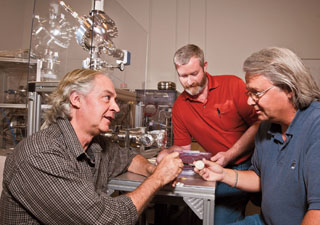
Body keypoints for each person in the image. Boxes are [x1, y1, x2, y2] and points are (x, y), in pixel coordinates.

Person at [0, 69, 183, 224]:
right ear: (76, 99)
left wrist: (152, 169)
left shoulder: (96, 145)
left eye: (115, 100)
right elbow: (107, 220)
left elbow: (127, 158)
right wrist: (158, 178)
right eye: (106, 98)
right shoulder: (41, 155)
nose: (116, 108)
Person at [196, 47, 320, 225]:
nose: (249, 101)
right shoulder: (265, 126)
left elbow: (317, 212)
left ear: (288, 89)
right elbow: (260, 179)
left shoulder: (316, 125)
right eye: (249, 93)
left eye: (257, 93)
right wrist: (222, 174)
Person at [157, 44, 260, 225]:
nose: (189, 82)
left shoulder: (233, 84)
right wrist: (167, 153)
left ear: (205, 67)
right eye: (183, 76)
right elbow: (183, 147)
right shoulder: (180, 107)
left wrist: (230, 154)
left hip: (253, 162)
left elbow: (259, 123)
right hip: (220, 169)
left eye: (194, 74)